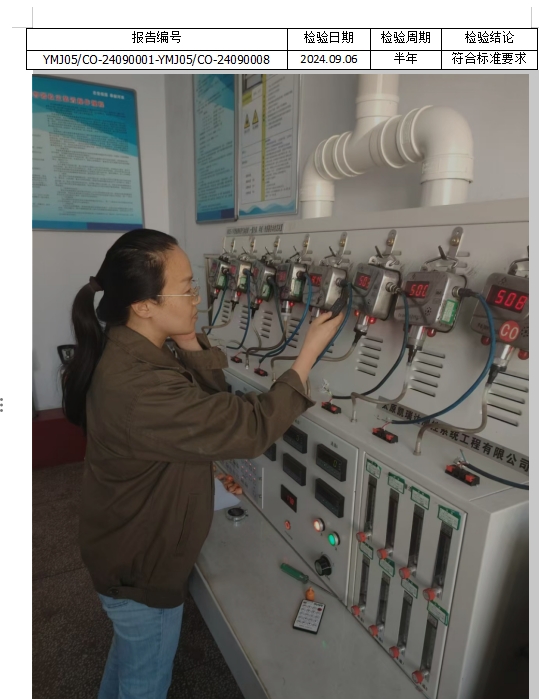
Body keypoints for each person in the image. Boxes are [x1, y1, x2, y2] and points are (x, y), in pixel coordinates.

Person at [61, 228, 343, 699]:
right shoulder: (139, 386)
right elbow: (249, 427)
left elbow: (206, 407)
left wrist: (190, 338)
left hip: (120, 548)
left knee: (129, 661)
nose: (198, 298)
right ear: (144, 305)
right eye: (187, 288)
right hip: (139, 572)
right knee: (144, 683)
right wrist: (307, 356)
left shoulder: (134, 346)